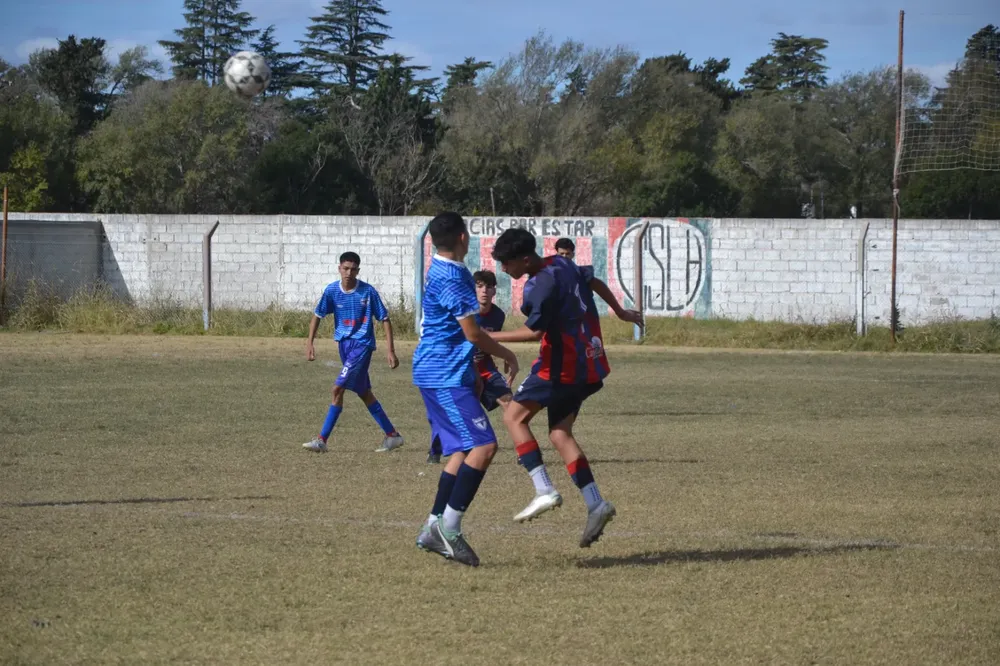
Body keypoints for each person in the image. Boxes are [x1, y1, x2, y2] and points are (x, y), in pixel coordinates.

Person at [489, 227, 643, 547]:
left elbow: (533, 332)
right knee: (560, 434)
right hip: (588, 364)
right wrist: (620, 312)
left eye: (507, 263)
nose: (503, 269)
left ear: (525, 259)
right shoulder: (562, 263)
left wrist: (484, 337)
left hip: (561, 367)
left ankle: (543, 488)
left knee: (513, 418)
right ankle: (596, 503)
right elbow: (594, 281)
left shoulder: (539, 285)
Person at [413, 212, 519, 567]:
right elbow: (472, 333)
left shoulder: (443, 269)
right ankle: (449, 528)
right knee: (485, 446)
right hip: (442, 374)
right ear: (463, 237)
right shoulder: (453, 276)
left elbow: (455, 331)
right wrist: (506, 354)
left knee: (462, 450)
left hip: (445, 371)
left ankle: (433, 524)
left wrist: (471, 371)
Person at [302, 251, 405, 454]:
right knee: (364, 393)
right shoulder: (332, 290)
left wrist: (390, 350)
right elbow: (317, 315)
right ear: (339, 268)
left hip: (362, 345)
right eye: (345, 268)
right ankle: (392, 435)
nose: (349, 273)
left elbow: (384, 319)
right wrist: (309, 343)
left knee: (337, 389)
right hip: (344, 345)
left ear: (358, 271)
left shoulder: (368, 292)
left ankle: (322, 440)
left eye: (353, 269)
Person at [426, 269, 513, 464]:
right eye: (479, 286)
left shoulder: (498, 315)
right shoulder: (465, 313)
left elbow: (490, 342)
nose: (484, 291)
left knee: (510, 402)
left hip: (486, 367)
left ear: (494, 291)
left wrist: (503, 354)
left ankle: (523, 451)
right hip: (461, 368)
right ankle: (436, 448)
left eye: (488, 287)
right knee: (451, 410)